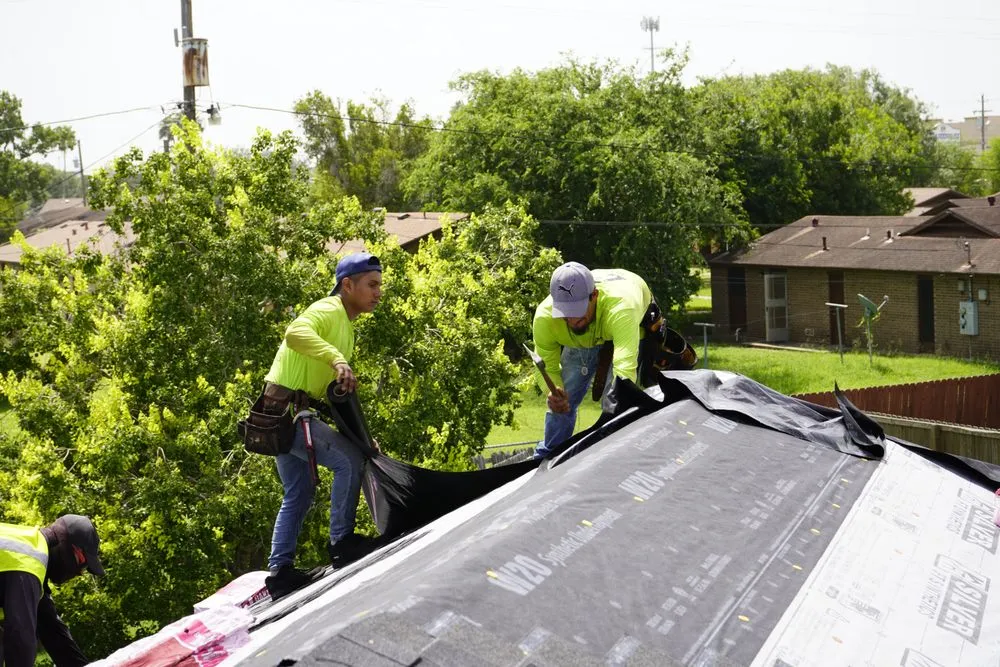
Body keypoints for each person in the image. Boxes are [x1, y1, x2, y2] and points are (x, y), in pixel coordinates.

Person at [262, 251, 383, 600]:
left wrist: (362, 436)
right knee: (349, 461)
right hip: (288, 414)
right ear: (347, 285)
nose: (378, 292)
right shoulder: (330, 309)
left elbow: (331, 399)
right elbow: (294, 332)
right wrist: (336, 358)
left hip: (283, 414)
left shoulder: (346, 328)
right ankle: (342, 542)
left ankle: (280, 573)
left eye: (379, 285)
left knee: (298, 492)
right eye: (371, 285)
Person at [531, 262, 655, 458]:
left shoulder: (622, 308)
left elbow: (624, 371)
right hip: (585, 337)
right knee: (563, 396)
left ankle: (611, 453)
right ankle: (548, 454)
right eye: (565, 311)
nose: (571, 319)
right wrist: (553, 392)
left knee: (614, 399)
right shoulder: (545, 318)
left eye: (577, 309)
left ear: (594, 295)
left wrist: (615, 408)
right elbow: (546, 366)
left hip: (623, 323)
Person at [0, 514, 105, 667]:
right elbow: (20, 639)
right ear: (69, 547)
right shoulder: (28, 563)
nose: (80, 572)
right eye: (82, 563)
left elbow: (54, 632)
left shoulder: (30, 547)